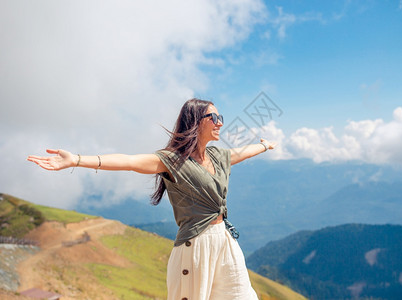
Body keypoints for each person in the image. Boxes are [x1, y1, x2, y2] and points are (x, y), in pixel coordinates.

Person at [27, 98, 276, 300]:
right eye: (214, 118)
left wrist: (264, 146)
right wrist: (77, 160)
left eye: (220, 118)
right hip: (196, 246)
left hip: (223, 240)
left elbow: (242, 153)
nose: (220, 123)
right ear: (196, 122)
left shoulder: (218, 157)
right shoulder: (172, 160)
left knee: (241, 295)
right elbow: (129, 162)